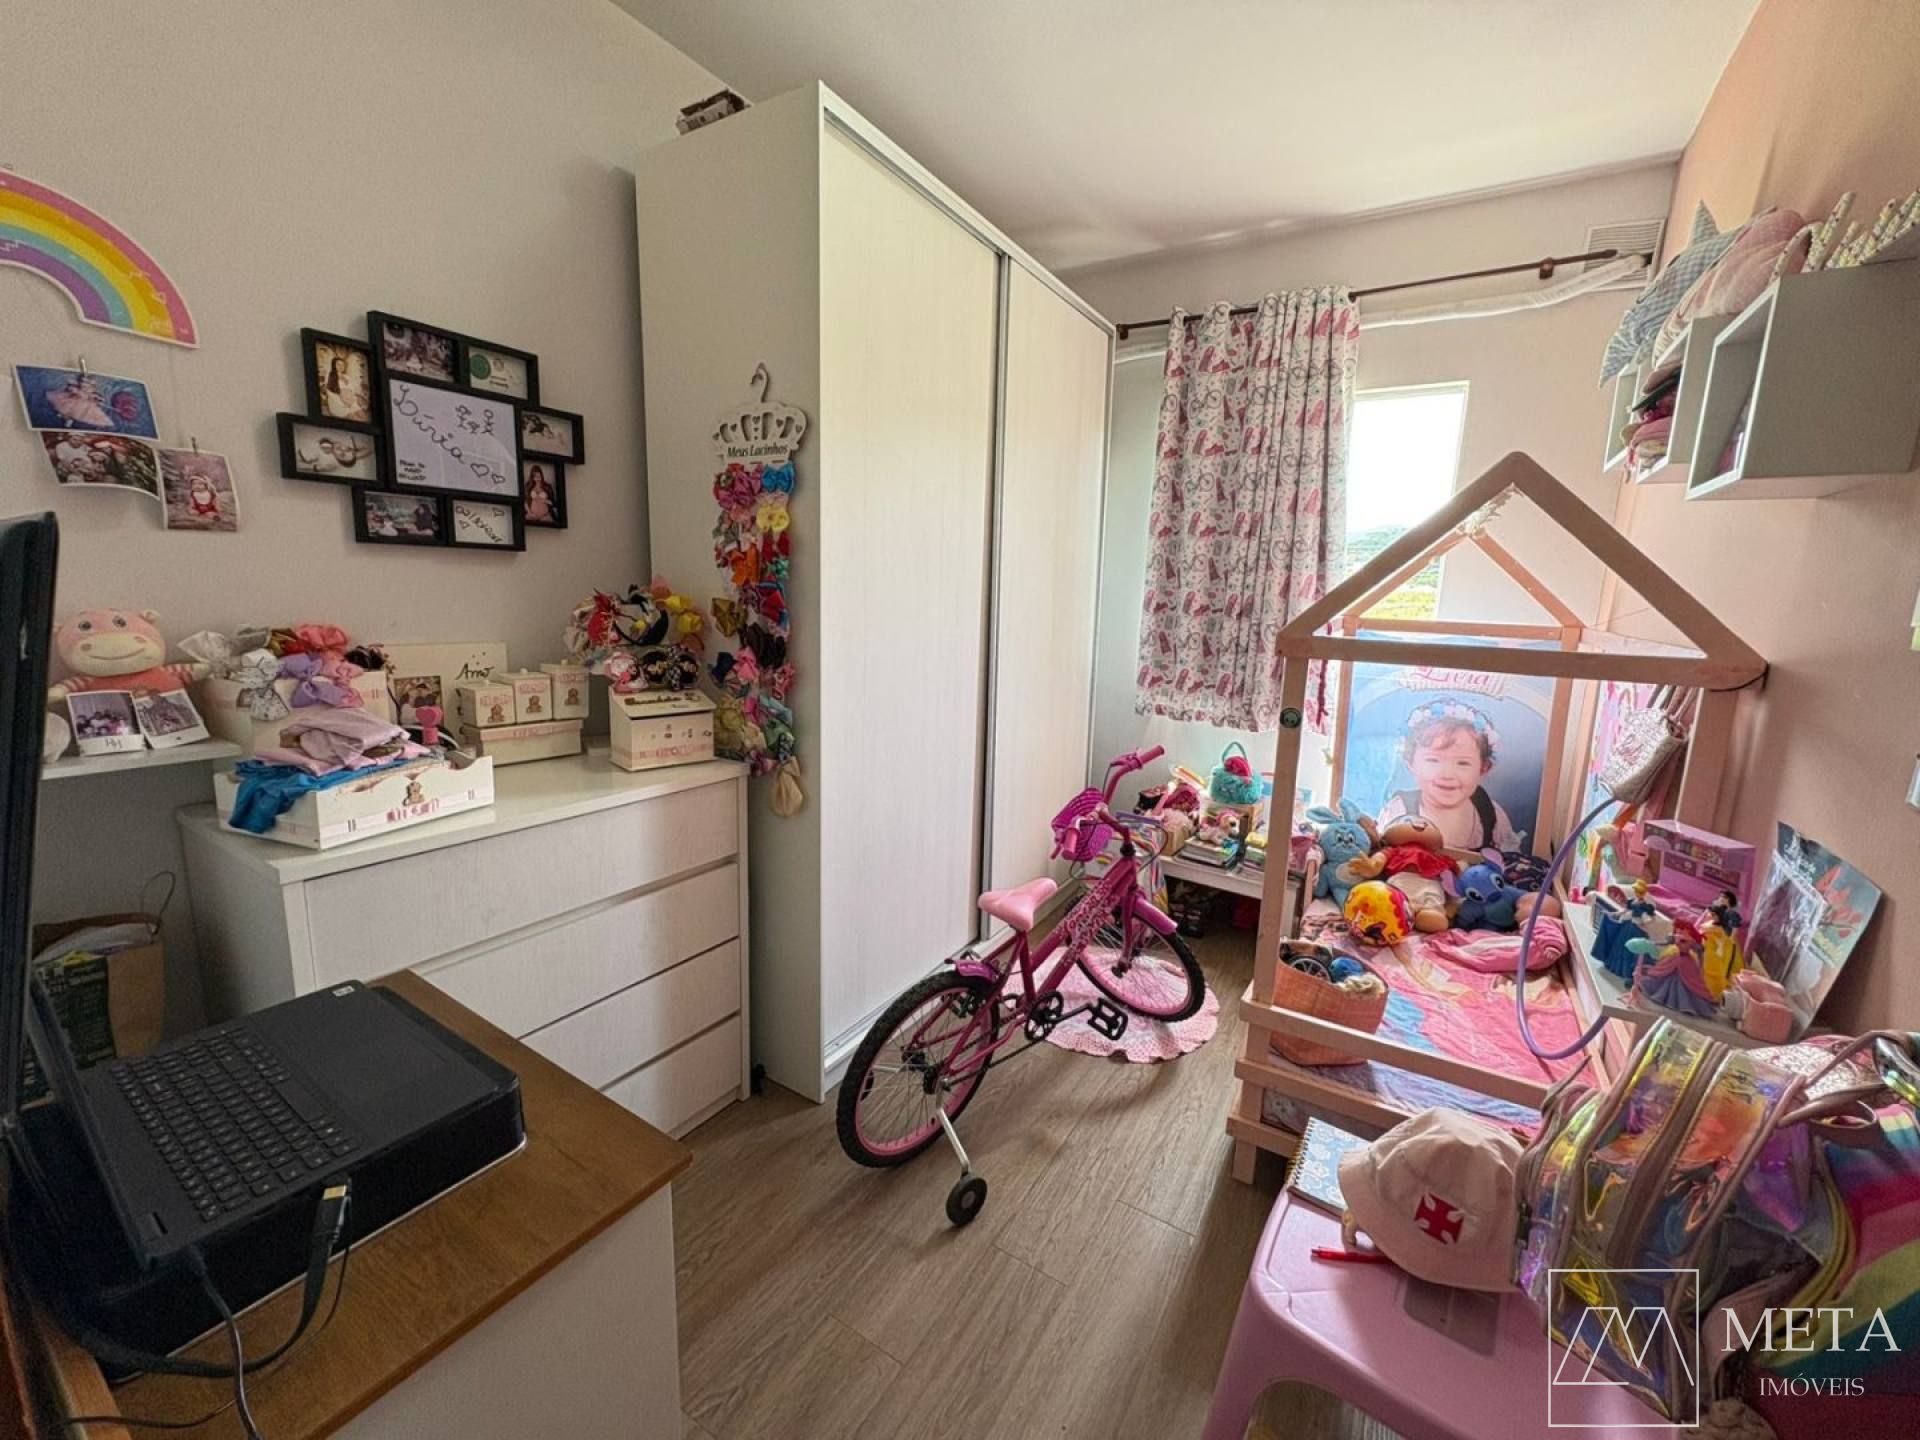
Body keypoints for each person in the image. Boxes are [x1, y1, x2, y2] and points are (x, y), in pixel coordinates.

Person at [1377, 700, 1521, 851]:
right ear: (1411, 764)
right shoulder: (1399, 810)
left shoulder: (1490, 813)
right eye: (1433, 760)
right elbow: (1379, 855)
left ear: (1483, 769)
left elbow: (1511, 859)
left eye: (1463, 763)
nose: (1447, 774)